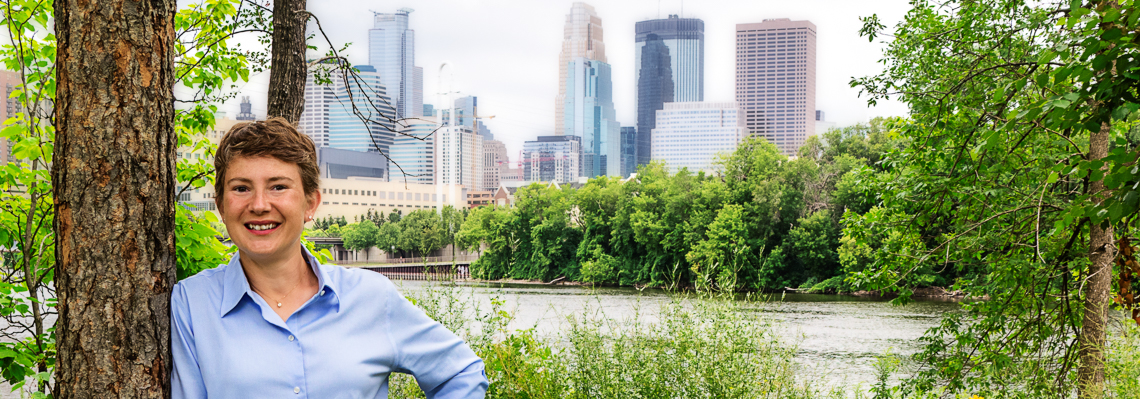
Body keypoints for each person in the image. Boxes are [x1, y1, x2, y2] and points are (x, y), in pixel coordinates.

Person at [170, 118, 487, 398]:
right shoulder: (192, 304)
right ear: (222, 205)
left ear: (311, 203)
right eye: (241, 188)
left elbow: (462, 372)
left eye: (278, 187)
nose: (259, 204)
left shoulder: (370, 297)